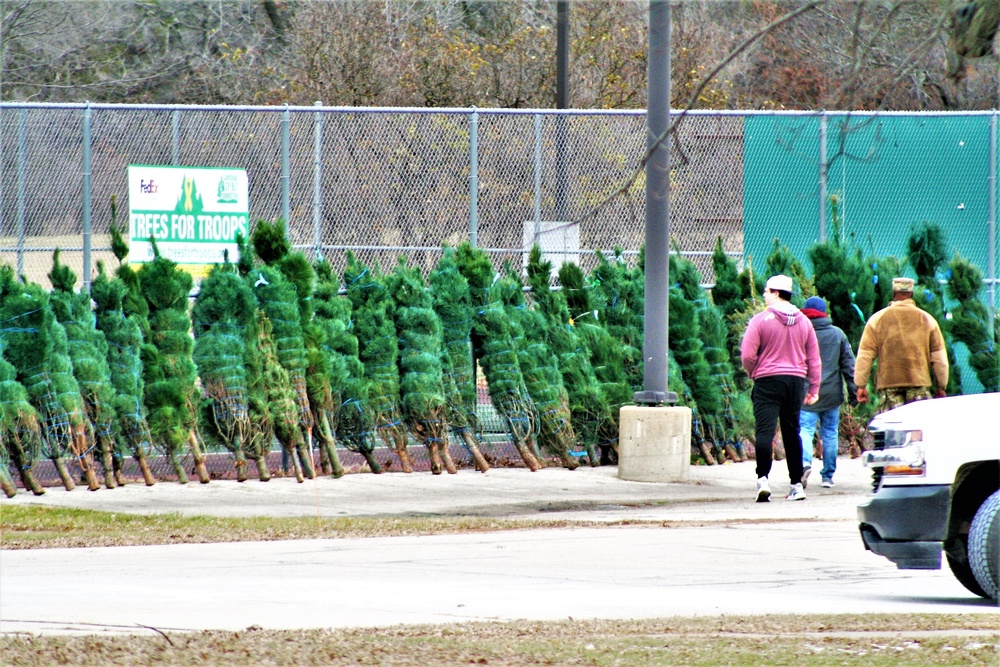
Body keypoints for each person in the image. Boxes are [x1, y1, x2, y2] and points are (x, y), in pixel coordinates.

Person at [741, 275, 821, 502]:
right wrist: (813, 387)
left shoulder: (760, 320)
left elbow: (747, 354)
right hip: (795, 381)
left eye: (766, 291)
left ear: (776, 293)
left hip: (767, 380)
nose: (764, 294)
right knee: (792, 431)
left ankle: (763, 480)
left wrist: (754, 372)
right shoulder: (804, 322)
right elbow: (814, 358)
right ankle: (796, 485)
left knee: (765, 431)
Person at [854, 277, 948, 412]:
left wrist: (861, 385)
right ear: (912, 294)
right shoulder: (927, 320)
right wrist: (941, 386)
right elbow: (940, 359)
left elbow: (865, 355)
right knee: (917, 427)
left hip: (889, 384)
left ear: (893, 293)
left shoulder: (877, 319)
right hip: (919, 383)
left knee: (893, 428)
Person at [798, 296, 857, 489]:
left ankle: (805, 463)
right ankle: (828, 476)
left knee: (805, 430)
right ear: (824, 312)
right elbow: (849, 366)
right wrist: (854, 391)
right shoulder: (837, 334)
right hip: (832, 393)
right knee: (830, 433)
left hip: (806, 392)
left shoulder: (799, 332)